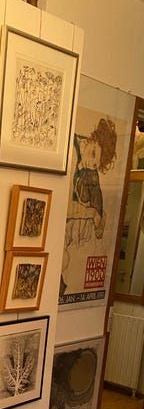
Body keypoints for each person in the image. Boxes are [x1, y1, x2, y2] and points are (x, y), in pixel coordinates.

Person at [60, 117, 117, 295]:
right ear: (93, 138)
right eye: (93, 154)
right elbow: (65, 207)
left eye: (94, 165)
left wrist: (99, 216)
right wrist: (92, 213)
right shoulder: (71, 152)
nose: (88, 162)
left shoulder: (87, 170)